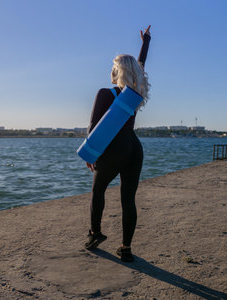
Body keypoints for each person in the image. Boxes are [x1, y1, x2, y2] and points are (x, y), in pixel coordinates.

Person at [84, 25, 151, 262]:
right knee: (128, 199)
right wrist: (146, 43)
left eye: (114, 68)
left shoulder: (105, 93)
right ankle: (126, 248)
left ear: (118, 71)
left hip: (112, 149)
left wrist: (90, 154)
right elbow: (140, 68)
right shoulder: (135, 94)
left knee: (98, 190)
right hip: (134, 149)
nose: (111, 71)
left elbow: (93, 128)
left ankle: (95, 233)